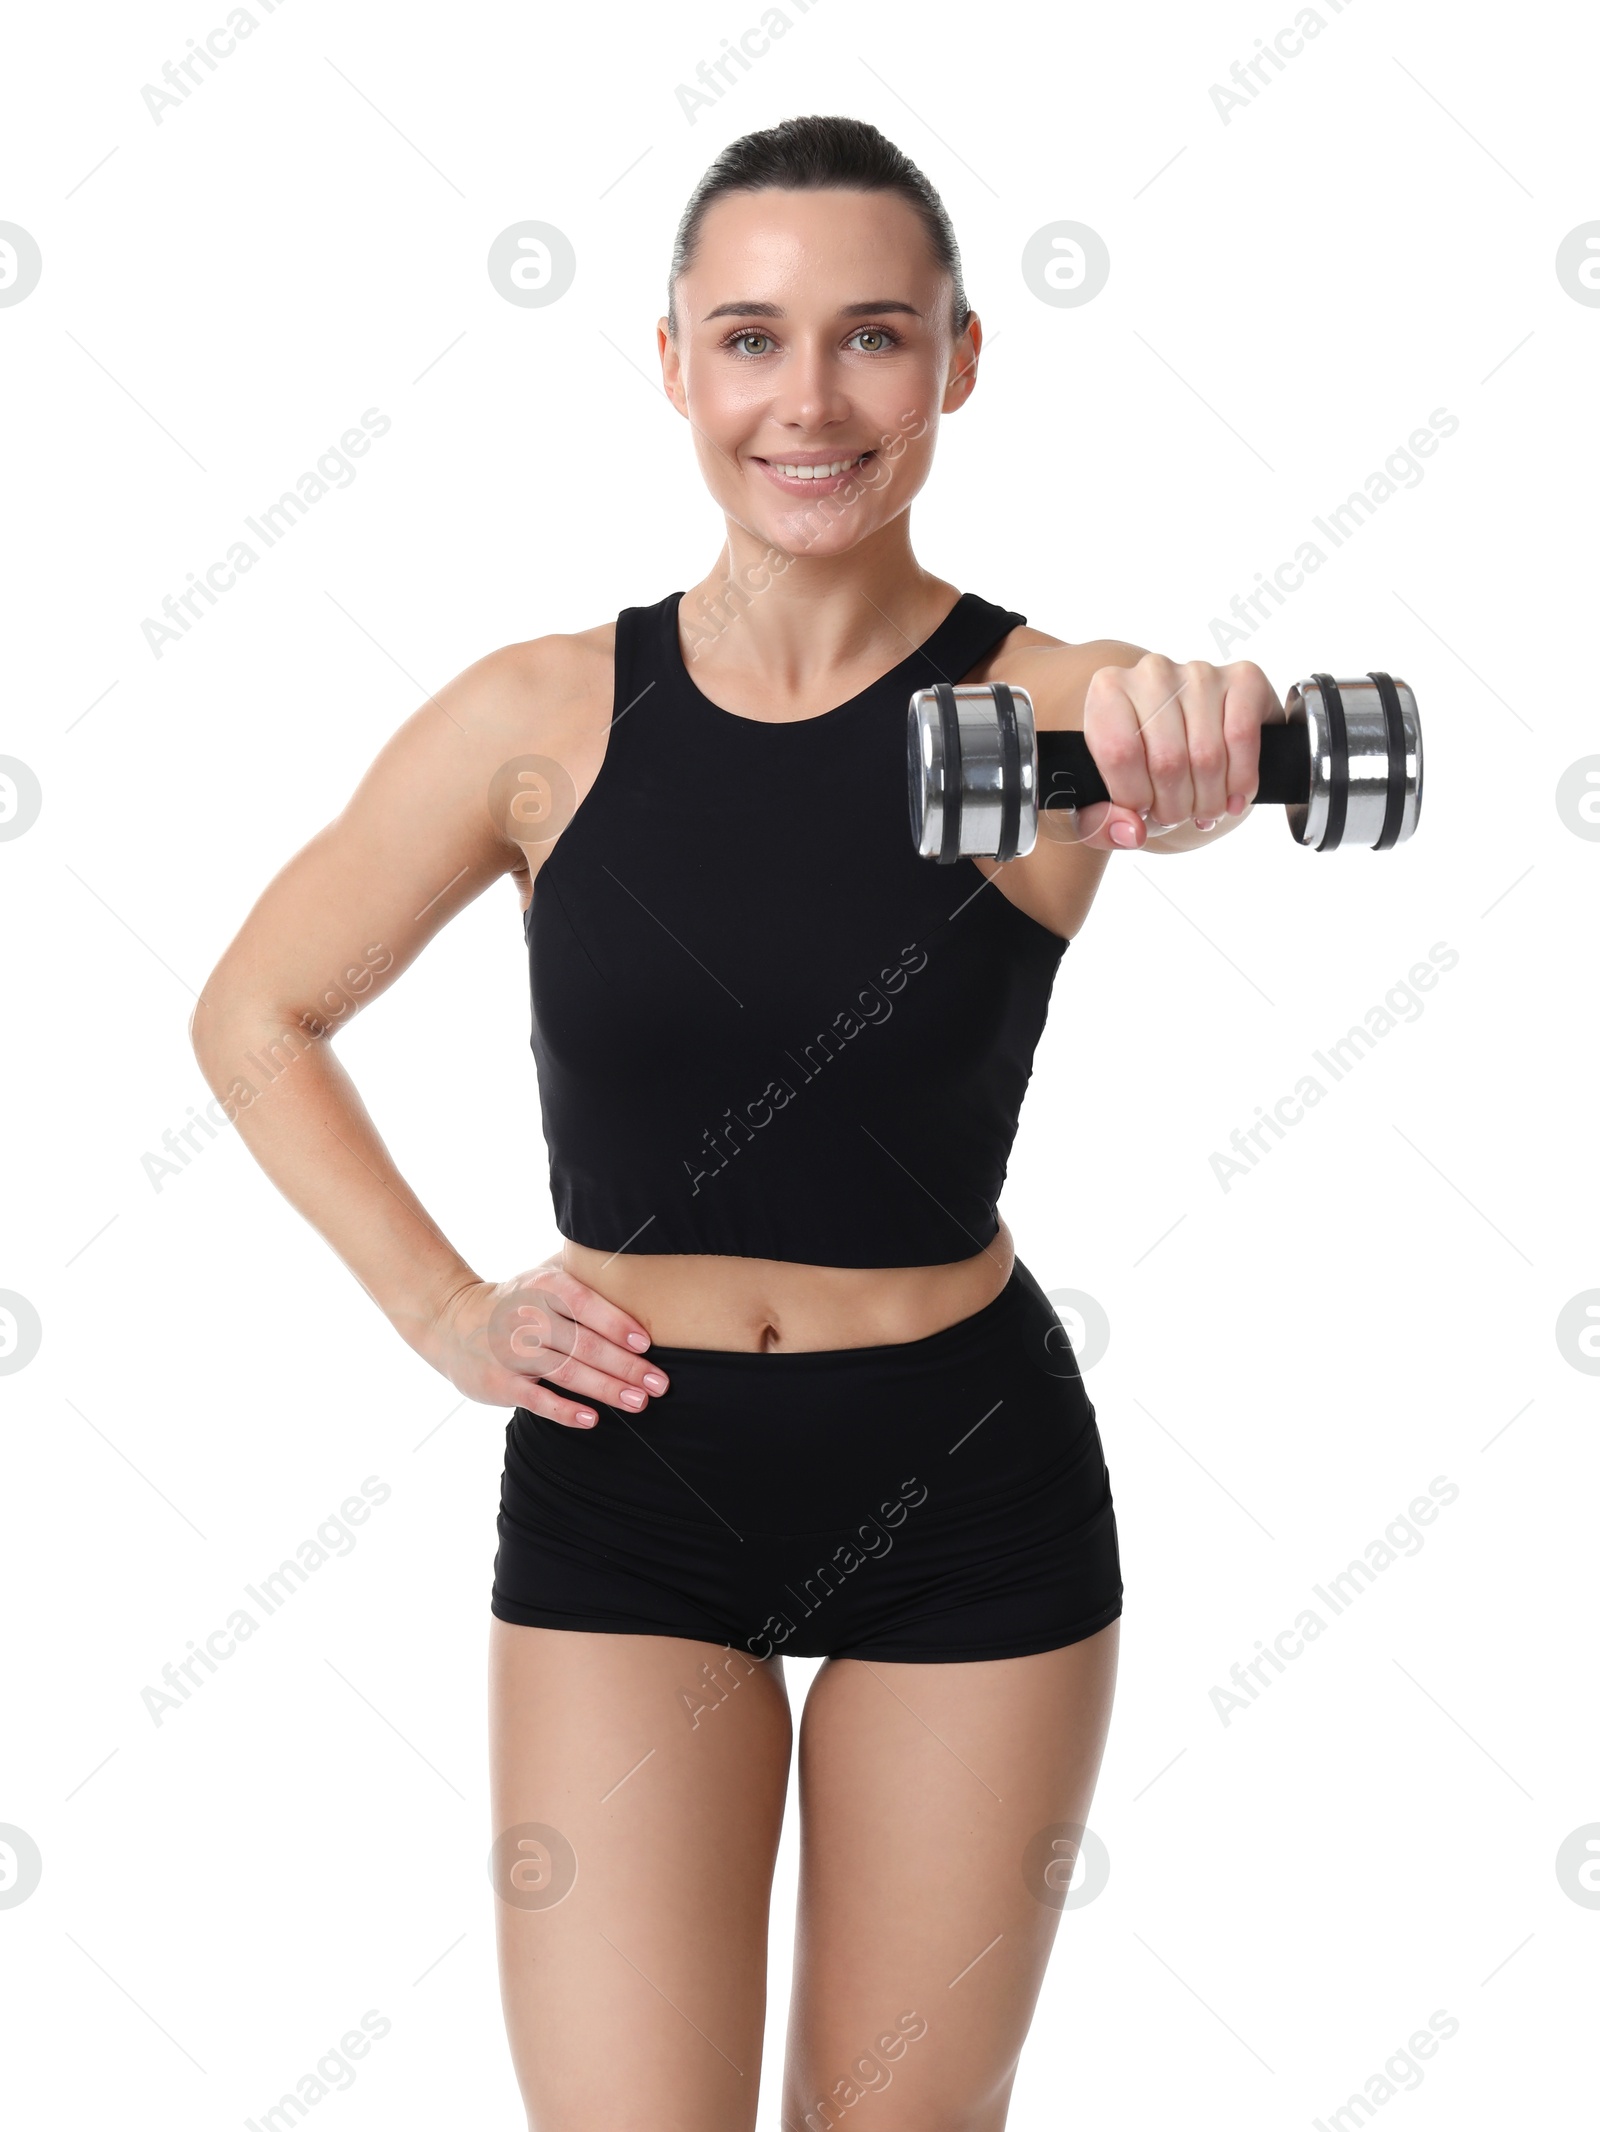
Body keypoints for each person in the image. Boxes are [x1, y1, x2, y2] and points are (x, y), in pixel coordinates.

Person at [193, 112, 1281, 2132]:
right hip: (631, 1483)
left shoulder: (1041, 712)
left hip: (965, 1486)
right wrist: (441, 1312)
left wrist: (1187, 728)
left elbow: (1160, 706)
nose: (808, 400)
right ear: (676, 359)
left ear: (955, 361)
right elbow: (257, 1010)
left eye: (872, 338)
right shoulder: (535, 718)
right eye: (753, 338)